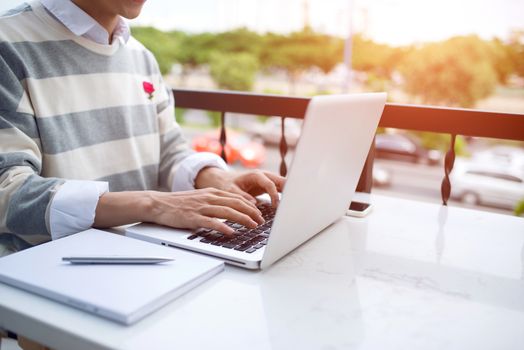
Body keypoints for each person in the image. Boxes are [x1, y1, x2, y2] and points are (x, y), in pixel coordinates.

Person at [0, 0, 285, 257]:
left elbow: (169, 151)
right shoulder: (7, 42)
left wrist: (217, 180)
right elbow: (8, 192)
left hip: (141, 258)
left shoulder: (141, 57)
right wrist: (155, 204)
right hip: (44, 277)